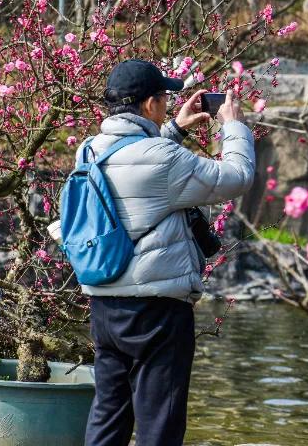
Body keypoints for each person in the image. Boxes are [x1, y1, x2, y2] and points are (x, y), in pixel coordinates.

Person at [81, 59, 255, 446]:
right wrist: (233, 126)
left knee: (108, 417)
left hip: (105, 306)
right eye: (162, 97)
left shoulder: (90, 150)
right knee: (160, 424)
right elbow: (238, 177)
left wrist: (174, 128)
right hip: (156, 313)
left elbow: (138, 171)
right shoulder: (163, 159)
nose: (165, 103)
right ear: (148, 105)